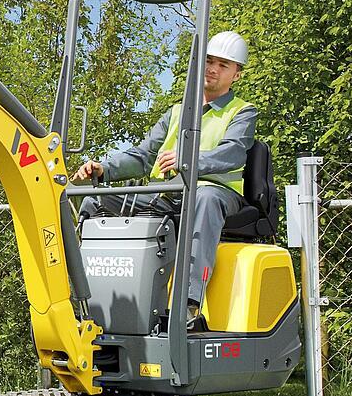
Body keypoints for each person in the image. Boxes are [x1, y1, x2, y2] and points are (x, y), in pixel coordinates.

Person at [72, 31, 256, 329]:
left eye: (223, 64)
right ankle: (82, 297)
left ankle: (189, 303)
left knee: (204, 198)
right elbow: (143, 156)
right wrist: (103, 169)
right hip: (167, 194)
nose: (213, 68)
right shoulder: (176, 113)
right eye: (209, 61)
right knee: (96, 199)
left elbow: (233, 153)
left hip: (215, 193)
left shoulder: (242, 112)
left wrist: (190, 162)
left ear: (236, 74)